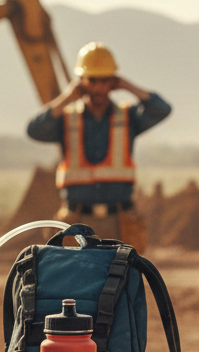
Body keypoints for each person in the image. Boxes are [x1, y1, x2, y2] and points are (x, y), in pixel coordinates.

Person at [27, 41, 170, 251]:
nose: (99, 87)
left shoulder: (128, 118)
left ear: (113, 82)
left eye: (105, 81)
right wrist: (67, 97)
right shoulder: (66, 119)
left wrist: (127, 86)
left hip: (119, 223)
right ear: (81, 81)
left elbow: (162, 109)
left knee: (121, 282)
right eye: (92, 80)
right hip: (76, 221)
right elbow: (34, 129)